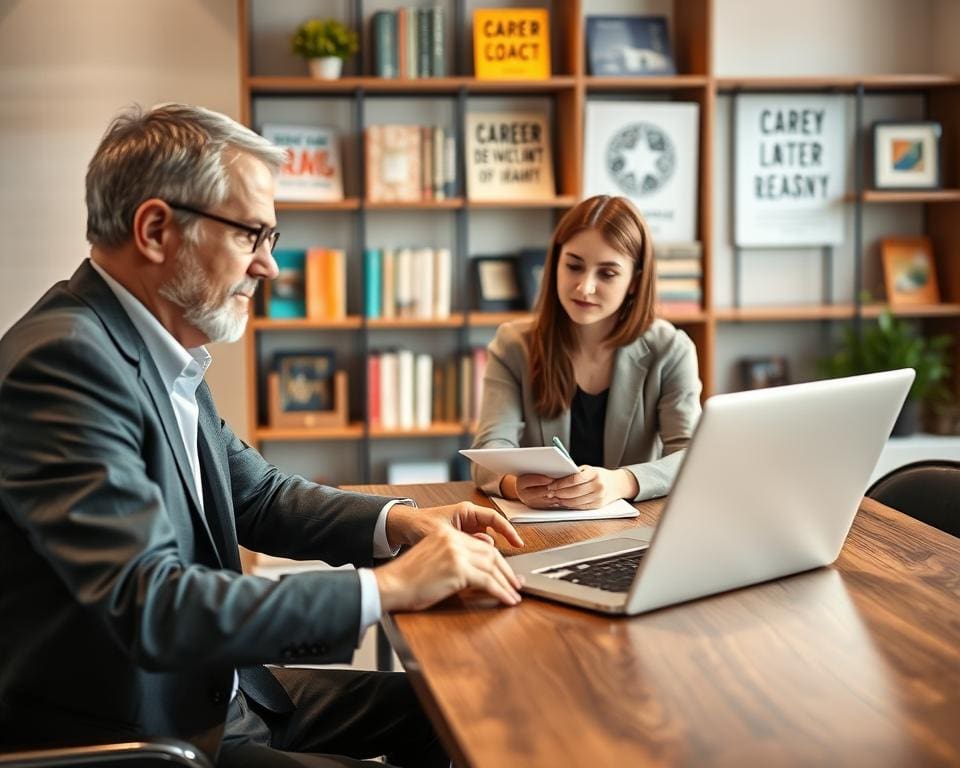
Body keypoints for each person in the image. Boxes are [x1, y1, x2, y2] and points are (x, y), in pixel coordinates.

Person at [0, 103, 526, 768]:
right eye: (253, 235)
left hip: (221, 692)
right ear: (157, 229)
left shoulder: (156, 346)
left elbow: (260, 497)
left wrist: (404, 524)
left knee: (454, 712)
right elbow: (154, 604)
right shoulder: (64, 364)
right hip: (142, 732)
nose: (270, 267)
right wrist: (387, 589)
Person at [471, 195, 702, 510]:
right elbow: (488, 451)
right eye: (573, 266)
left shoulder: (672, 350)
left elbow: (691, 458)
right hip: (540, 528)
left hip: (634, 531)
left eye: (607, 274)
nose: (584, 287)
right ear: (555, 264)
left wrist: (621, 482)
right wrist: (515, 486)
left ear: (634, 281)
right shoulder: (513, 345)